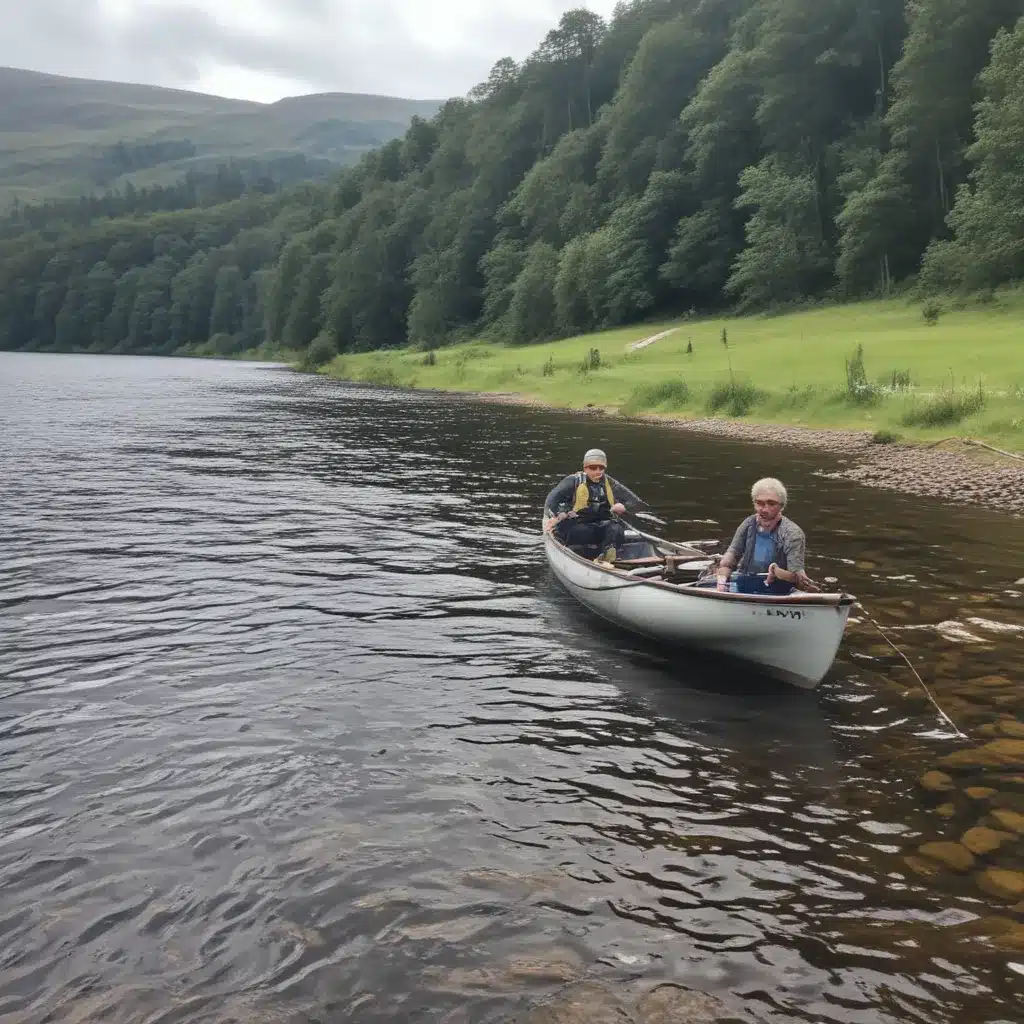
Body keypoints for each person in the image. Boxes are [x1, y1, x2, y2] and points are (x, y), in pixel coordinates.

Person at [544, 448, 645, 563]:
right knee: (569, 530)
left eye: (601, 468)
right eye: (593, 468)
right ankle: (578, 554)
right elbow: (551, 500)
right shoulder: (572, 481)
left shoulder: (609, 483)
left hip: (600, 526)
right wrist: (555, 516)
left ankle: (607, 554)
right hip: (577, 527)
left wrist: (623, 507)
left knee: (616, 528)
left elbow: (634, 502)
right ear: (585, 468)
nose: (598, 471)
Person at [713, 477, 810, 595]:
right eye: (759, 503)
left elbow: (798, 579)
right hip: (743, 586)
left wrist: (777, 572)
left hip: (777, 591)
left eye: (771, 503)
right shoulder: (748, 524)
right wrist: (722, 580)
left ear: (781, 506)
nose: (764, 509)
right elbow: (730, 558)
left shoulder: (793, 533)